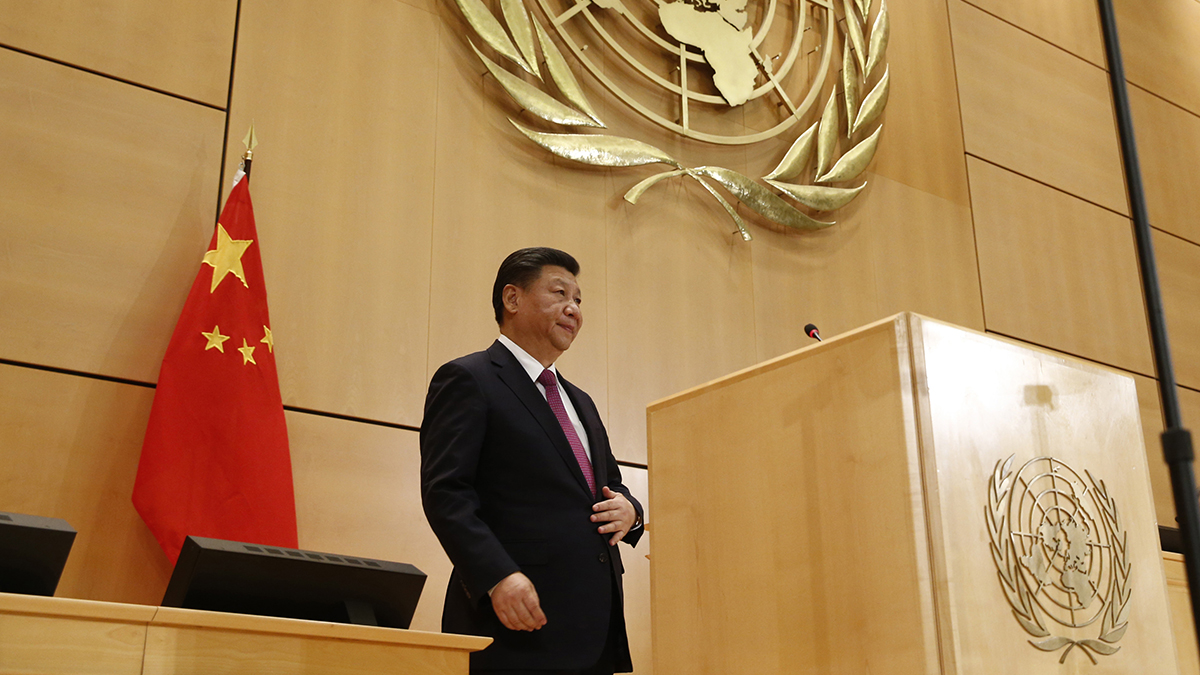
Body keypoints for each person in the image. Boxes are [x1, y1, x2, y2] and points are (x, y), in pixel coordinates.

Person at [420, 247, 644, 675]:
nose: (573, 309)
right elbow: (446, 493)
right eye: (559, 292)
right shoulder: (469, 379)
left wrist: (632, 511)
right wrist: (496, 576)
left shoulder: (581, 402)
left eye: (579, 300)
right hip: (513, 624)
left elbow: (612, 485)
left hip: (594, 627)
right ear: (512, 299)